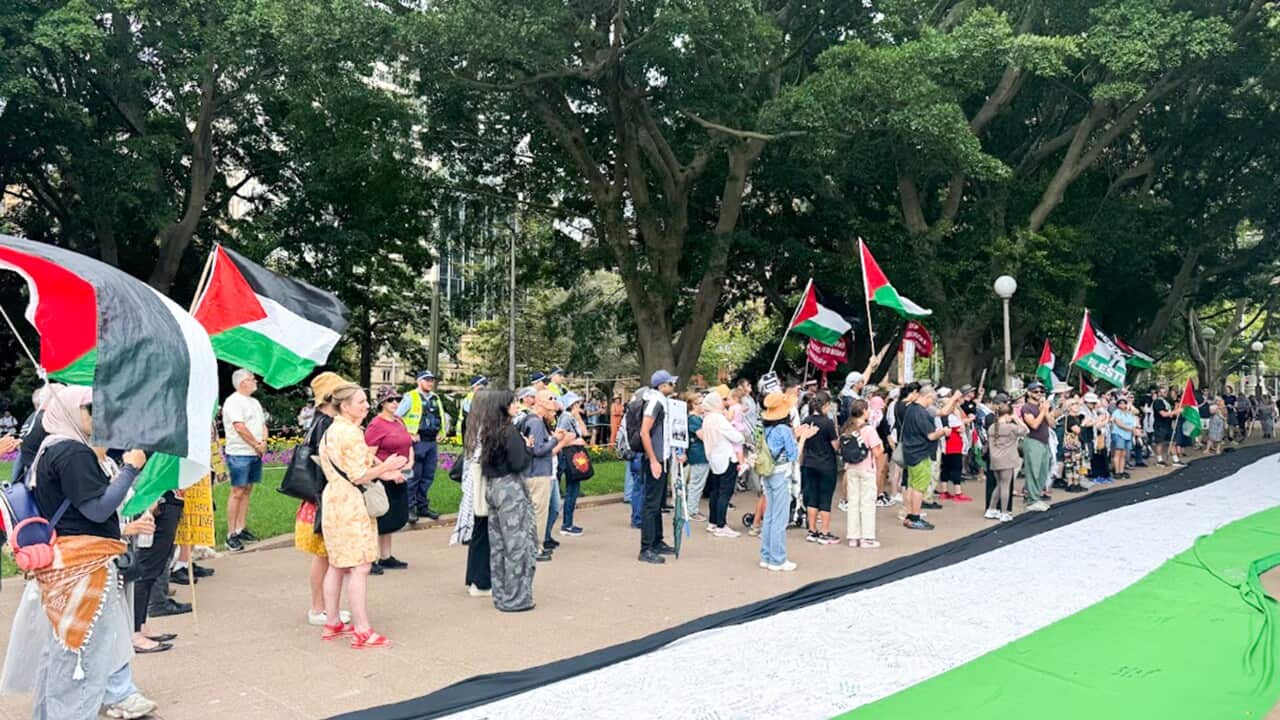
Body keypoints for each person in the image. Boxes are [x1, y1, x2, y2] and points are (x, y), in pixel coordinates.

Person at [13, 385, 160, 718]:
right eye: (88, 410)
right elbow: (97, 509)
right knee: (84, 657)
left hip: (66, 562)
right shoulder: (72, 452)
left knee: (64, 651)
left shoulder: (51, 448)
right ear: (67, 412)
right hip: (85, 566)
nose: (97, 417)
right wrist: (130, 468)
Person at [317, 384, 407, 649]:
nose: (367, 405)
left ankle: (332, 622)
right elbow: (358, 475)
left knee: (337, 563)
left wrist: (384, 470)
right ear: (345, 407)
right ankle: (363, 631)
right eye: (361, 402)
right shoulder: (352, 433)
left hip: (333, 498)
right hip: (351, 503)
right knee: (360, 566)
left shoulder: (332, 430)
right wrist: (387, 466)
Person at [294, 372, 352, 627]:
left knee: (327, 556)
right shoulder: (327, 424)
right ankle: (319, 608)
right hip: (324, 499)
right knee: (324, 556)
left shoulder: (320, 421)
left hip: (318, 497)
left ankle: (326, 607)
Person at [476, 389, 536, 612]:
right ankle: (516, 598)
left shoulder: (489, 430)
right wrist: (528, 449)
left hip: (493, 487)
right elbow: (518, 462)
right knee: (517, 544)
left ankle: (501, 594)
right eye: (513, 403)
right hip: (510, 488)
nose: (517, 406)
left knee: (499, 545)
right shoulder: (509, 432)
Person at [366, 388, 413, 572]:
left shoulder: (399, 421)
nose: (395, 403)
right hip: (383, 476)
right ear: (382, 403)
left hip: (400, 475)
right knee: (379, 517)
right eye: (390, 400)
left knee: (392, 517)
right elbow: (369, 454)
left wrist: (410, 462)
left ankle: (386, 556)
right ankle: (370, 558)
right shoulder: (376, 425)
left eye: (397, 399)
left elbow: (408, 443)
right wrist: (387, 468)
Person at [221, 369, 268, 551]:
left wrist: (263, 442)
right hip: (239, 452)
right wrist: (256, 444)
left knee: (247, 489)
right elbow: (239, 427)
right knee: (237, 491)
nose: (255, 381)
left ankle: (241, 527)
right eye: (251, 379)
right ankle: (231, 534)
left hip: (254, 452)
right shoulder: (233, 402)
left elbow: (262, 425)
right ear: (242, 383)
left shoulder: (254, 402)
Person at [900, 385, 958, 530]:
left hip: (910, 452)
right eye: (932, 400)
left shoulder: (910, 408)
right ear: (928, 397)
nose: (932, 403)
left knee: (912, 485)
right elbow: (931, 435)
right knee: (919, 487)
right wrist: (943, 431)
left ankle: (910, 515)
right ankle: (915, 517)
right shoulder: (921, 413)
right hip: (920, 453)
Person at [638, 370, 680, 564]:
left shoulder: (660, 400)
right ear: (662, 386)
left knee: (658, 503)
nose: (673, 386)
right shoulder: (655, 402)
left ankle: (656, 540)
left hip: (662, 457)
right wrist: (654, 460)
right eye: (671, 383)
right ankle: (646, 547)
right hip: (656, 458)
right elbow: (644, 432)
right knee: (651, 503)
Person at [396, 370, 447, 523]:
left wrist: (442, 432)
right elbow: (397, 417)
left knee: (427, 477)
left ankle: (422, 506)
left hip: (431, 442)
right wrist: (408, 434)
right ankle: (409, 508)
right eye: (427, 380)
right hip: (417, 443)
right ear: (419, 381)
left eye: (432, 380)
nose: (430, 383)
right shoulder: (410, 397)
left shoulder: (435, 398)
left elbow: (440, 416)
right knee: (413, 476)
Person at [759, 392, 800, 571]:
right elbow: (793, 454)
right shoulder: (784, 429)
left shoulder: (766, 428)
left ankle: (766, 556)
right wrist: (801, 438)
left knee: (769, 515)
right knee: (780, 518)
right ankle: (778, 559)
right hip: (781, 473)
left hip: (767, 472)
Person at [519, 389, 559, 561]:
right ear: (541, 403)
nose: (554, 406)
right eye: (551, 400)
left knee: (533, 512)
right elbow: (538, 450)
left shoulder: (532, 420)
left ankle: (531, 547)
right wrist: (556, 440)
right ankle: (536, 548)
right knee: (538, 512)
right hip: (537, 473)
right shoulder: (536, 422)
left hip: (532, 472)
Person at [699, 391, 745, 538]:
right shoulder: (719, 419)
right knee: (725, 493)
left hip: (714, 458)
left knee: (715, 492)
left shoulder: (707, 419)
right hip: (726, 458)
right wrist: (741, 436)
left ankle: (713, 522)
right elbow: (736, 436)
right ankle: (721, 525)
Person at [841, 399, 885, 548]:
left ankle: (853, 537)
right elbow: (877, 452)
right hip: (866, 469)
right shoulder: (868, 429)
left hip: (851, 468)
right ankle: (867, 537)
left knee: (853, 502)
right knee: (867, 503)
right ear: (864, 411)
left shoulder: (846, 428)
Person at [799, 392, 840, 544]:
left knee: (812, 498)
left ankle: (812, 530)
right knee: (825, 498)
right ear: (825, 405)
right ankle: (825, 531)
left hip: (809, 463)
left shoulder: (806, 420)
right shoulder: (827, 423)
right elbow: (835, 445)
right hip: (826, 464)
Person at [985, 403, 1026, 522]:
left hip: (995, 459)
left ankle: (991, 509)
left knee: (999, 485)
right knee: (1005, 486)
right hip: (1007, 460)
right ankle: (1004, 512)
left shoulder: (992, 427)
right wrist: (1017, 419)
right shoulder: (1011, 427)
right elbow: (1025, 430)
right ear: (1008, 415)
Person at [556, 392, 590, 536]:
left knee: (573, 490)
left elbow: (585, 433)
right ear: (572, 405)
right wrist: (576, 441)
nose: (579, 405)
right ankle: (567, 525)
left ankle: (568, 523)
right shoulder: (565, 418)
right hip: (567, 457)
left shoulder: (572, 418)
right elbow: (559, 438)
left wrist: (578, 417)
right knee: (571, 491)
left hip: (572, 456)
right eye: (577, 403)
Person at [1019, 382, 1054, 511]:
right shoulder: (1026, 408)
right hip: (1033, 442)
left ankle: (1036, 497)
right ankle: (1032, 500)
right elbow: (1034, 425)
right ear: (1029, 393)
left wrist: (1046, 411)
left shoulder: (1042, 407)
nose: (1039, 394)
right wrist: (1043, 411)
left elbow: (1052, 424)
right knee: (1033, 471)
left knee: (1043, 471)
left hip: (1044, 442)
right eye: (1036, 391)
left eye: (1041, 392)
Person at [937, 389, 972, 502]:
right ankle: (958, 492)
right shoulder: (951, 416)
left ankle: (944, 491)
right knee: (957, 467)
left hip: (945, 445)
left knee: (946, 467)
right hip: (954, 444)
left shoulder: (939, 416)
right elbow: (960, 427)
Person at [684, 394, 709, 523]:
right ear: (693, 405)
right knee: (697, 483)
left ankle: (692, 508)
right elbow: (702, 436)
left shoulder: (698, 418)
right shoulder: (694, 419)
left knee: (697, 482)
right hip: (698, 453)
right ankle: (691, 510)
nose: (703, 405)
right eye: (700, 403)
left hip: (700, 453)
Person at [1109, 396, 1139, 479]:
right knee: (1118, 453)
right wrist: (1132, 429)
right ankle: (1117, 471)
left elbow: (1136, 413)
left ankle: (1121, 471)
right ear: (1117, 405)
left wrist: (1130, 407)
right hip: (1119, 434)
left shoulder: (1129, 413)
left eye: (1124, 403)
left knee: (1123, 454)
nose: (1122, 405)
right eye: (1120, 403)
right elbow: (1119, 424)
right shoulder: (1116, 412)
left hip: (1127, 435)